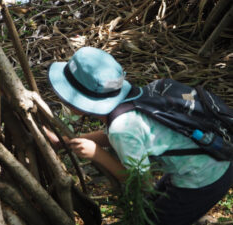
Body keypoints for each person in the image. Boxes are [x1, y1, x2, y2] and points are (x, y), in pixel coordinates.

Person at [46, 46, 233, 225]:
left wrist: (97, 154)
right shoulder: (134, 100)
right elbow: (112, 135)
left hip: (204, 178)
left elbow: (140, 182)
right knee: (153, 206)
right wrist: (65, 143)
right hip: (208, 161)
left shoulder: (122, 129)